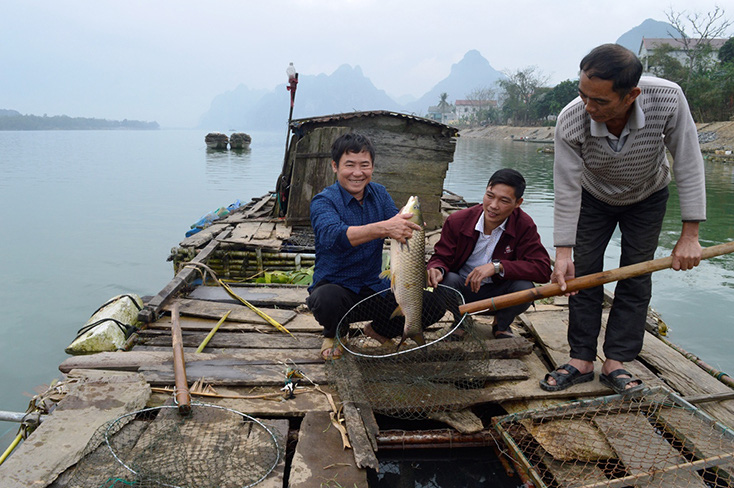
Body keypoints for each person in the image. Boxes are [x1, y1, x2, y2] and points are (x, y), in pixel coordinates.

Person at [540, 43, 706, 394]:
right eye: (584, 95)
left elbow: (689, 162)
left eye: (600, 101)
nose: (589, 107)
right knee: (582, 275)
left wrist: (690, 235)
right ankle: (582, 358)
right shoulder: (572, 119)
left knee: (637, 271)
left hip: (647, 194)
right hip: (592, 195)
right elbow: (566, 188)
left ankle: (617, 360)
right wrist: (563, 254)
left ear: (632, 94)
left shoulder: (668, 99)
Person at [307, 132, 426, 360]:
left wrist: (411, 224)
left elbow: (398, 226)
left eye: (365, 165)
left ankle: (379, 330)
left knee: (430, 301)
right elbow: (334, 235)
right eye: (349, 165)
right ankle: (336, 333)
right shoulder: (324, 201)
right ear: (335, 166)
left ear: (372, 167)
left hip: (372, 287)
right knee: (326, 300)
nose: (357, 173)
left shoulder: (379, 193)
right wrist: (385, 227)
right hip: (337, 288)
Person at [427, 168, 552, 338]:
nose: (493, 206)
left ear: (518, 203)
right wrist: (436, 269)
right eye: (490, 196)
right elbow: (441, 257)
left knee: (524, 288)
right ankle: (461, 321)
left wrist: (497, 267)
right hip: (462, 289)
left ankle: (501, 324)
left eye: (504, 201)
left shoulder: (524, 225)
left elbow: (543, 269)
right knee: (445, 281)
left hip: (499, 294)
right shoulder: (457, 221)